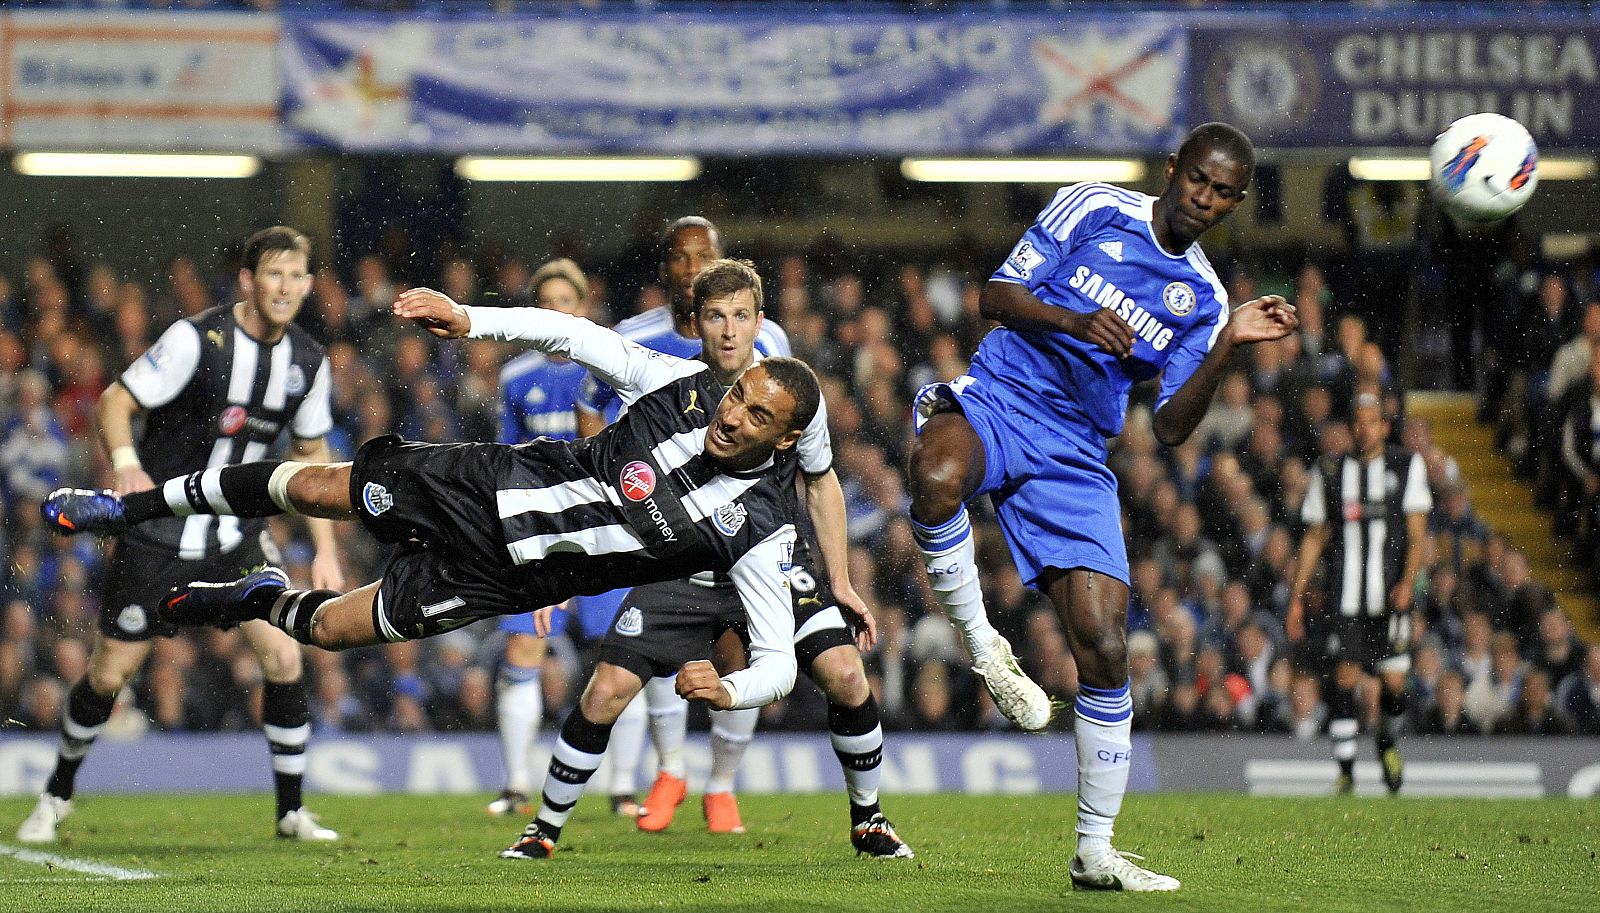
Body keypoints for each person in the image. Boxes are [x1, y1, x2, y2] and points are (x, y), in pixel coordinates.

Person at [43, 283, 824, 854]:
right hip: (483, 486)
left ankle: (250, 599)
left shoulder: (758, 528)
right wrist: (469, 319)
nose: (732, 416)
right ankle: (132, 510)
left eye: (757, 416)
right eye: (739, 397)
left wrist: (728, 689)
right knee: (319, 486)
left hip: (507, 580)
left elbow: (779, 661)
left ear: (784, 441)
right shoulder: (681, 390)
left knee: (329, 628)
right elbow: (571, 334)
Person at [905, 123, 1297, 891]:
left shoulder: (1206, 299)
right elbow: (996, 295)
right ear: (1173, 168)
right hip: (1003, 399)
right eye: (1198, 181)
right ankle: (984, 646)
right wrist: (1075, 321)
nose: (1205, 199)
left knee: (1108, 647)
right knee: (936, 473)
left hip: (1077, 455)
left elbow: (1174, 427)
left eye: (1223, 194)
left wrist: (1226, 344)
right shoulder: (1093, 207)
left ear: (1236, 202)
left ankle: (1095, 850)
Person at [509, 258, 909, 860]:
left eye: (740, 317)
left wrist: (842, 579)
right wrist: (561, 572)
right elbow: (603, 474)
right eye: (716, 317)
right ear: (695, 324)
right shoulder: (663, 381)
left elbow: (821, 480)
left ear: (759, 323)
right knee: (605, 691)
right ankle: (542, 830)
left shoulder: (791, 392)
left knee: (847, 675)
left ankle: (869, 820)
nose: (728, 331)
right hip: (679, 565)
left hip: (770, 560)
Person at [18, 226, 344, 845]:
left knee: (283, 655)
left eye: (296, 275)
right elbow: (117, 399)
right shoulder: (199, 340)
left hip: (238, 536)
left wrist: (326, 547)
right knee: (110, 674)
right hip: (159, 529)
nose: (285, 287)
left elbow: (313, 460)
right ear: (247, 280)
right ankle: (56, 795)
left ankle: (291, 812)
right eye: (273, 273)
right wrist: (124, 459)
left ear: (307, 285)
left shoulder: (307, 361)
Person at [576, 217, 791, 835]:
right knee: (658, 644)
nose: (693, 266)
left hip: (741, 518)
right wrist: (617, 485)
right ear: (665, 268)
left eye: (706, 256)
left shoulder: (767, 336)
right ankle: (670, 770)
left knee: (740, 651)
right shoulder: (633, 336)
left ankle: (720, 786)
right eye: (681, 257)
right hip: (658, 519)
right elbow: (590, 407)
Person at [486, 258, 640, 818]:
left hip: (603, 531)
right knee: (522, 647)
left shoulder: (611, 368)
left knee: (623, 655)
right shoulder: (515, 377)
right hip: (538, 533)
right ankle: (515, 785)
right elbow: (505, 460)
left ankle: (623, 787)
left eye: (565, 303)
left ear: (583, 307)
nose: (555, 313)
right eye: (545, 304)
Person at [1288, 393, 1432, 796]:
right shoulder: (1331, 471)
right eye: (1358, 421)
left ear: (1385, 427)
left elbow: (1417, 534)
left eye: (1372, 421)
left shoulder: (1406, 466)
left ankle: (1386, 741)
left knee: (1395, 683)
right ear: (1350, 427)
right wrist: (1297, 596)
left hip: (1390, 597)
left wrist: (1408, 582)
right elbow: (1315, 536)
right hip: (1345, 596)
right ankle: (1347, 770)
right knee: (1345, 677)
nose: (1364, 428)